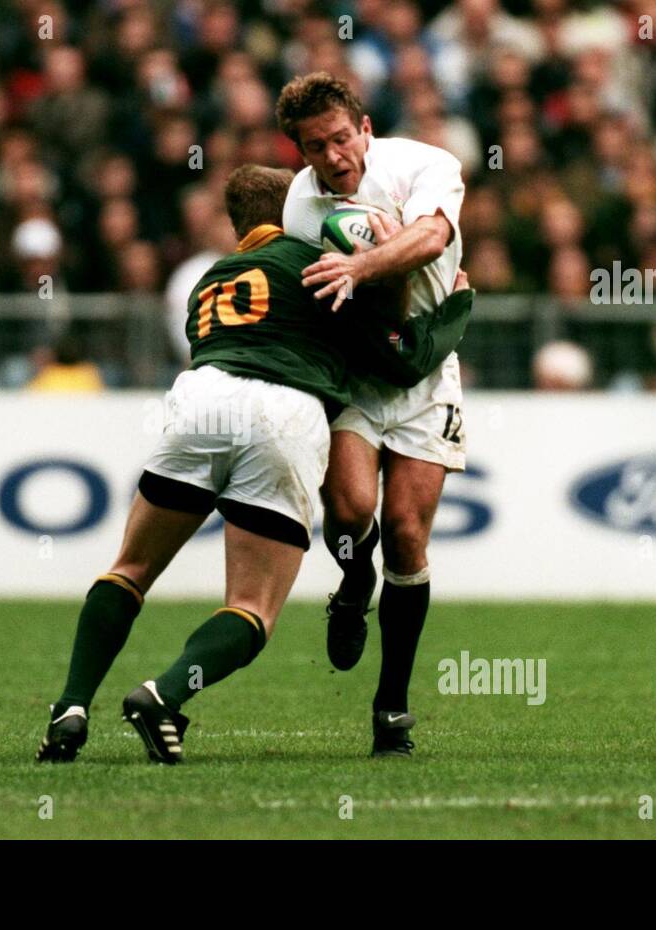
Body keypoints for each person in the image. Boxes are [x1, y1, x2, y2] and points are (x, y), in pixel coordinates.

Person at [35, 164, 473, 764]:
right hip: (283, 413)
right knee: (251, 608)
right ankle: (164, 693)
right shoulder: (320, 266)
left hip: (200, 398)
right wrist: (452, 306)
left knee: (130, 569)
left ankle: (70, 707)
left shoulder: (210, 278)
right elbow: (400, 359)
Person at [276, 71, 467, 757]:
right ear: (299, 150)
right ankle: (354, 580)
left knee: (409, 534)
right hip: (358, 372)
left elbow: (432, 239)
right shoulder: (301, 206)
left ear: (364, 129)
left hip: (424, 370)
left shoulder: (425, 164)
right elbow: (328, 299)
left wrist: (366, 266)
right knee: (354, 516)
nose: (331, 158)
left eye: (338, 139)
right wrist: (364, 279)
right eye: (313, 147)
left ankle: (391, 707)